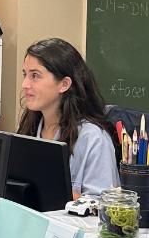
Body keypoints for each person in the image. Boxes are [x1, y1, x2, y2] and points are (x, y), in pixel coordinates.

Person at [18, 38, 119, 198]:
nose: (25, 84)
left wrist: (62, 194)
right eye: (25, 74)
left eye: (35, 76)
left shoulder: (93, 138)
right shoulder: (31, 127)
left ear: (64, 84)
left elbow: (103, 205)